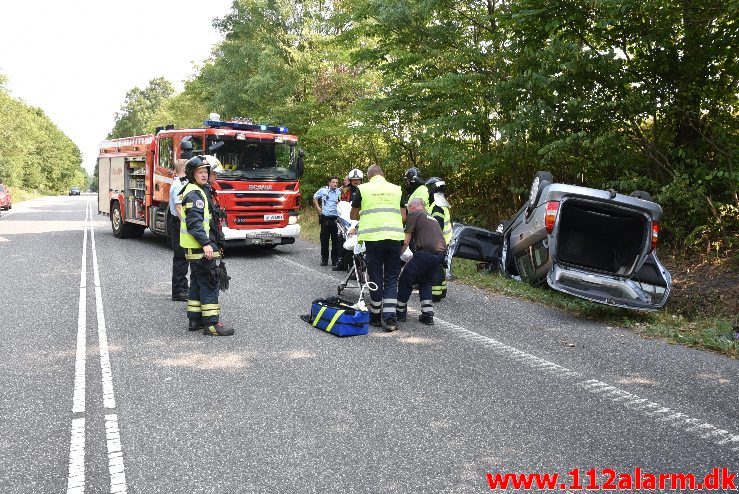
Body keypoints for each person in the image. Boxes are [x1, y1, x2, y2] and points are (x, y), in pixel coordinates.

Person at [180, 156, 234, 336]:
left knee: (197, 281)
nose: (204, 175)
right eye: (200, 172)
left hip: (194, 249)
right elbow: (194, 223)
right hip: (201, 248)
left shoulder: (196, 190)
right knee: (210, 282)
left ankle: (194, 319)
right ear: (191, 174)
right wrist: (206, 244)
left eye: (205, 172)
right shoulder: (196, 194)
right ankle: (211, 325)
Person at [350, 165, 406, 331]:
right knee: (391, 278)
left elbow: (353, 215)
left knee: (375, 277)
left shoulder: (363, 189)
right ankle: (390, 319)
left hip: (373, 239)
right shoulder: (397, 189)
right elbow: (403, 216)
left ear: (368, 176)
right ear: (383, 175)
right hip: (394, 238)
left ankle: (375, 317)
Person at [396, 197, 447, 325]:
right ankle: (427, 315)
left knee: (405, 280)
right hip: (439, 254)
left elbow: (406, 241)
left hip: (425, 253)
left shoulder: (414, 214)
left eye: (408, 208)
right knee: (425, 282)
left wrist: (397, 256)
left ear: (412, 206)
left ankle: (400, 313)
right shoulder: (430, 217)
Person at [425, 177, 452, 301]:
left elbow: (437, 225)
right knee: (439, 266)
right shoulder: (442, 203)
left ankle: (435, 294)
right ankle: (442, 290)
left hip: (437, 241)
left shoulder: (437, 206)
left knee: (434, 266)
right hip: (443, 241)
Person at [335, 168, 364, 271]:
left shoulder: (365, 190)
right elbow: (341, 204)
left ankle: (357, 266)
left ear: (361, 180)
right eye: (353, 180)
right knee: (342, 239)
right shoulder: (345, 191)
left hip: (360, 218)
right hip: (347, 218)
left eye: (358, 179)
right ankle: (343, 263)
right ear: (350, 180)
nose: (356, 181)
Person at [169, 159, 189, 301]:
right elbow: (178, 208)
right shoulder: (178, 185)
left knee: (183, 258)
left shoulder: (181, 183)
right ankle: (179, 291)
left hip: (179, 223)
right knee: (181, 259)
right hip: (179, 223)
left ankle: (182, 287)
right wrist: (188, 225)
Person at [313, 176, 342, 267]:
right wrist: (317, 207)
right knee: (324, 240)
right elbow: (315, 197)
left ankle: (335, 260)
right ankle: (324, 259)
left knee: (335, 241)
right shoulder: (323, 190)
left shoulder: (339, 192)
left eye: (337, 183)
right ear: (329, 183)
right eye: (333, 182)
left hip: (335, 219)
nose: (335, 184)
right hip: (325, 219)